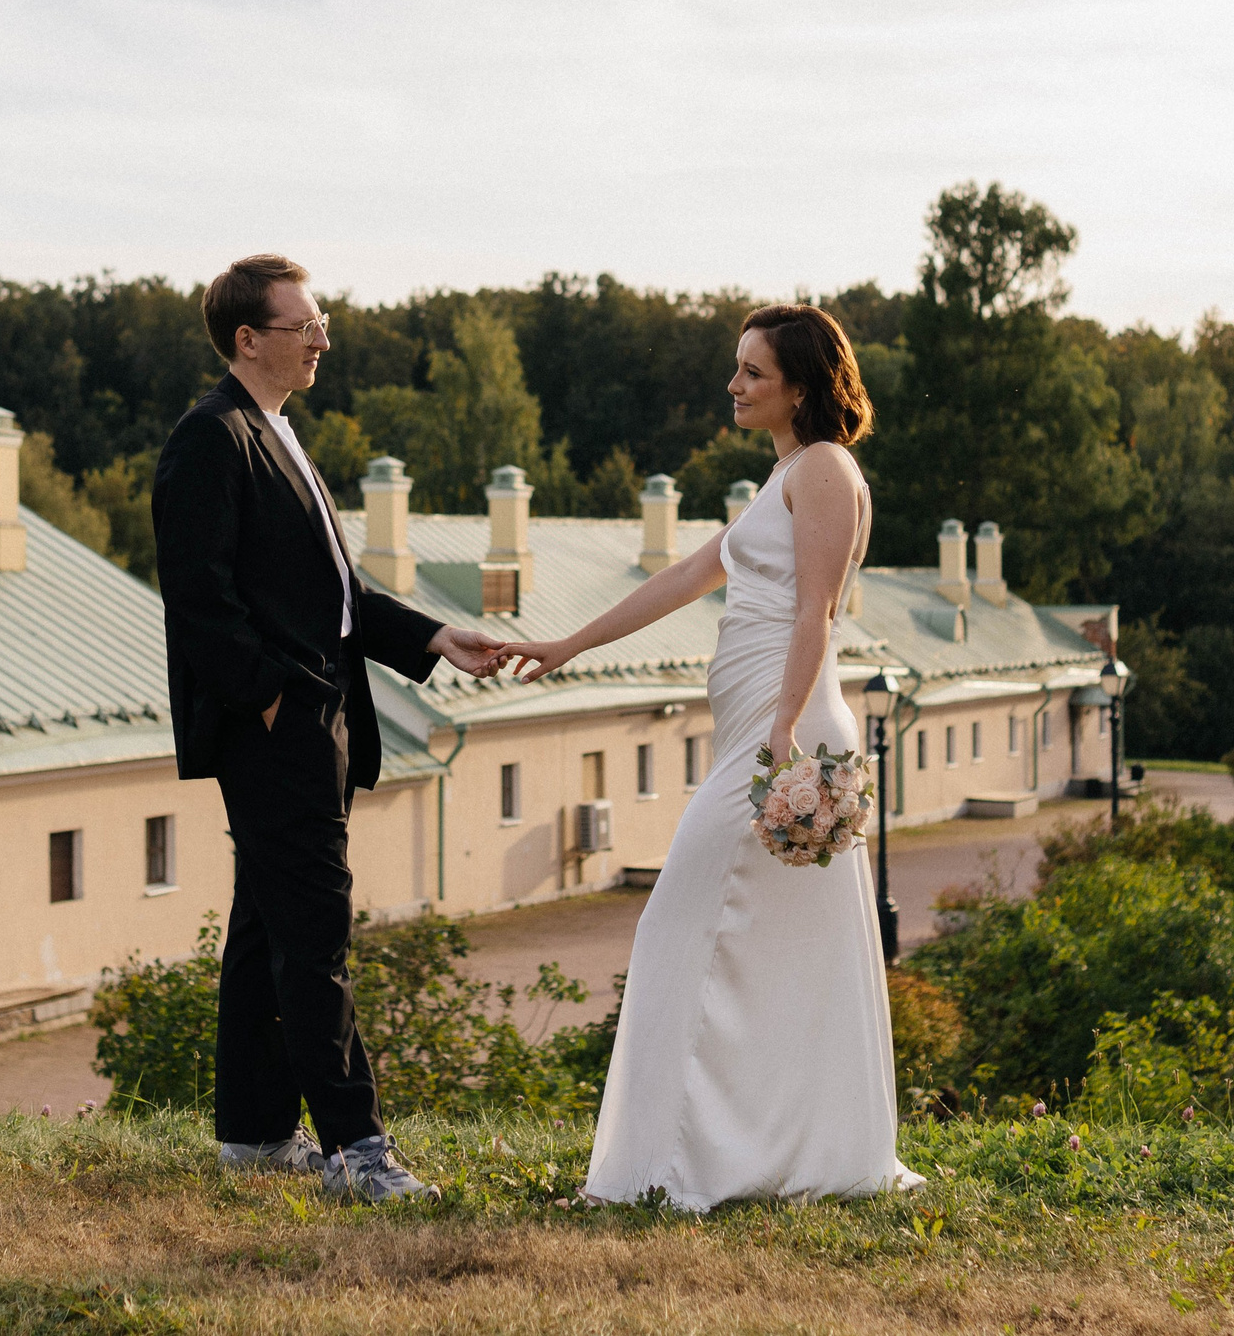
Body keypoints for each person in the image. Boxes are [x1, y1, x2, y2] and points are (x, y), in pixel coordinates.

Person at [501, 304, 921, 1211]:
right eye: (737, 368)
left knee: (675, 927)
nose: (734, 385)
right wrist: (565, 644)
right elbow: (682, 580)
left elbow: (815, 612)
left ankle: (676, 1166)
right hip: (762, 731)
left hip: (786, 738)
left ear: (800, 386)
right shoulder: (783, 478)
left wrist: (783, 733)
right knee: (769, 953)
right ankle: (754, 1153)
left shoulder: (826, 471)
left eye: (753, 372)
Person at [152, 253, 507, 1202]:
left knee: (265, 926)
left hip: (317, 719)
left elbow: (338, 598)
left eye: (321, 320)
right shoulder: (211, 438)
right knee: (317, 935)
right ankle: (357, 1149)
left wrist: (435, 634)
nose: (321, 336)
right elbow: (200, 599)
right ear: (247, 339)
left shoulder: (276, 432)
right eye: (303, 323)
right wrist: (271, 699)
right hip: (276, 728)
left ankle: (255, 1139)